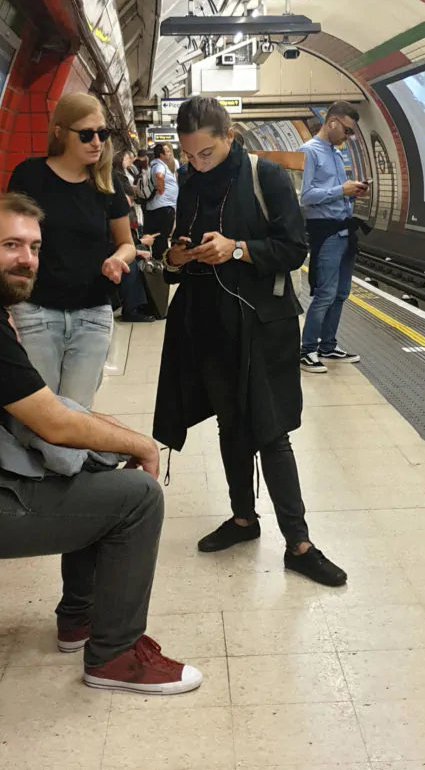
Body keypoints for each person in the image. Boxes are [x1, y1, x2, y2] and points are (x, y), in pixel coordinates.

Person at [0, 193, 202, 696]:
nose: (27, 259)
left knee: (95, 469)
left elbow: (42, 403)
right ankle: (115, 656)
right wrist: (140, 444)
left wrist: (113, 436)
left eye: (33, 247)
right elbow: (53, 422)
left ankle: (79, 620)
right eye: (11, 245)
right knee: (138, 499)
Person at [153, 96, 347, 587]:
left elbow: (294, 247)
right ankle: (243, 518)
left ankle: (299, 545)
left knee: (270, 430)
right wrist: (177, 257)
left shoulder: (267, 176)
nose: (197, 163)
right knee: (230, 424)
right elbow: (177, 255)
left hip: (260, 323)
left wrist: (236, 248)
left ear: (229, 137)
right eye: (189, 155)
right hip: (208, 323)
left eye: (206, 153)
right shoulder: (190, 182)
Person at [7, 92, 135, 408]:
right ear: (60, 132)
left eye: (103, 133)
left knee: (77, 413)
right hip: (36, 310)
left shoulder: (107, 182)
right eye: (87, 135)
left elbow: (127, 244)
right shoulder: (30, 176)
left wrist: (117, 259)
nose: (97, 142)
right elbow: (9, 238)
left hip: (92, 313)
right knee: (39, 413)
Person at [299, 101, 369, 373]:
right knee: (325, 294)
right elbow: (305, 196)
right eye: (347, 130)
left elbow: (337, 191)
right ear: (332, 122)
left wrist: (353, 192)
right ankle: (307, 350)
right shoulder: (309, 152)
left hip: (344, 230)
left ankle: (327, 345)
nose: (348, 137)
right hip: (326, 232)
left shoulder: (336, 154)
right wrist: (341, 190)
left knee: (341, 293)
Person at [112, 150, 155, 323]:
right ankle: (132, 308)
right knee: (131, 262)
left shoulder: (126, 174)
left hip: (116, 247)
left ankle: (140, 304)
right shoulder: (112, 213)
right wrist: (138, 248)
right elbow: (113, 242)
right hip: (111, 252)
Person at [145, 143, 179, 260]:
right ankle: (161, 261)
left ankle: (159, 260)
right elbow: (159, 176)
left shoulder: (158, 164)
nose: (169, 154)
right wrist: (161, 188)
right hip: (163, 207)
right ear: (161, 155)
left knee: (161, 237)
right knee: (162, 237)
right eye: (167, 152)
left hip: (161, 206)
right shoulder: (159, 164)